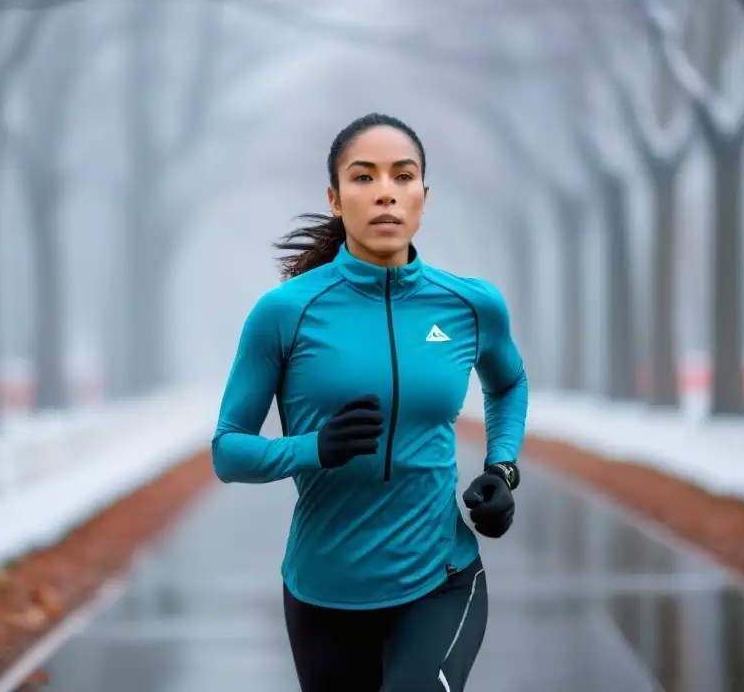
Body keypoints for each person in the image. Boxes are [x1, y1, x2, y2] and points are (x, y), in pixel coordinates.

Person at [211, 112, 528, 692]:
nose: (385, 192)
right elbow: (228, 451)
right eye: (364, 177)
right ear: (335, 198)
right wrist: (312, 449)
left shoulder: (470, 305)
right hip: (322, 590)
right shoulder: (285, 313)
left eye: (403, 176)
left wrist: (502, 468)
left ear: (423, 197)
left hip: (441, 576)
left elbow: (507, 383)